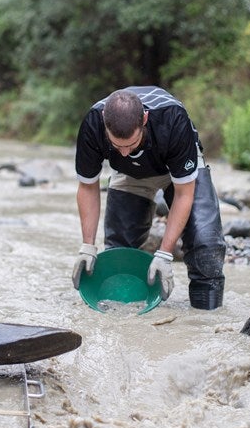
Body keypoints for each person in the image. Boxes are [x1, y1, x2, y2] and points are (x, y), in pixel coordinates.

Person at [72, 86, 226, 309]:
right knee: (119, 255)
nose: (124, 152)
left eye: (131, 144)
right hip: (129, 175)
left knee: (206, 245)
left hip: (178, 174)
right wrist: (87, 246)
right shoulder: (93, 123)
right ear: (104, 121)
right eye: (117, 146)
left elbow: (184, 194)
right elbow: (87, 188)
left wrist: (164, 254)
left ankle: (208, 317)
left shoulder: (173, 119)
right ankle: (123, 318)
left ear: (145, 119)